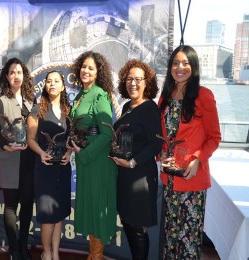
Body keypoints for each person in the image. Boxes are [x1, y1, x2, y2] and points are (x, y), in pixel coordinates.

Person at [158, 45, 221, 259]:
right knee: (170, 235)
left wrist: (197, 161)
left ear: (193, 67)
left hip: (191, 179)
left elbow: (214, 137)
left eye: (185, 63)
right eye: (175, 63)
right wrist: (161, 154)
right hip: (170, 179)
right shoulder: (165, 96)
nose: (180, 67)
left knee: (188, 238)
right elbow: (162, 134)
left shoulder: (204, 95)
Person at [109, 60, 162, 259]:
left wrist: (133, 162)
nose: (133, 83)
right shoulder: (126, 108)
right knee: (128, 223)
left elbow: (156, 145)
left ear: (146, 83)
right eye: (129, 79)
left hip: (140, 176)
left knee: (138, 227)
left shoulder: (150, 109)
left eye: (138, 79)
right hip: (124, 174)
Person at [68, 51, 117, 259]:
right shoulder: (80, 95)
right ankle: (92, 255)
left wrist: (85, 153)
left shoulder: (100, 95)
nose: (85, 71)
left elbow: (107, 134)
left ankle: (96, 257)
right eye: (83, 66)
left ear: (98, 73)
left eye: (91, 68)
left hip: (97, 163)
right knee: (89, 208)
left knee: (98, 209)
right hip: (84, 161)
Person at [0, 57, 36, 260]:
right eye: (12, 72)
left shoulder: (32, 101)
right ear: (7, 77)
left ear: (24, 75)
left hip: (29, 161)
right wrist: (6, 145)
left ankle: (23, 244)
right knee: (10, 207)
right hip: (10, 160)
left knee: (27, 205)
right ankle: (14, 248)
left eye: (19, 72)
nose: (16, 75)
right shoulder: (2, 102)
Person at [27, 71, 72, 260]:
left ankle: (55, 252)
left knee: (59, 214)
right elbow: (30, 139)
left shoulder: (69, 110)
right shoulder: (37, 109)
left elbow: (71, 140)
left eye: (56, 81)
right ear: (45, 86)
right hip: (44, 169)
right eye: (48, 81)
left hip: (62, 169)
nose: (51, 84)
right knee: (48, 217)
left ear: (63, 86)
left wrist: (70, 153)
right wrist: (41, 153)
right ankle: (46, 253)